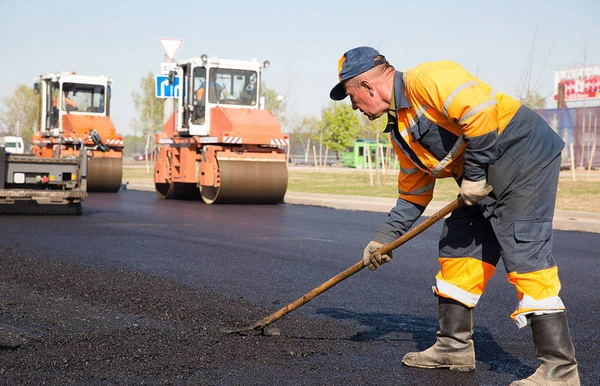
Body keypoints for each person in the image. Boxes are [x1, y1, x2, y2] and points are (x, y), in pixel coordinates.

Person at [330, 46, 579, 385]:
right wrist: (384, 238)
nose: (355, 107)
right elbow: (413, 195)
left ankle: (560, 371)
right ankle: (453, 347)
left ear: (367, 86)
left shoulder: (427, 78)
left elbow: (479, 112)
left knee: (525, 252)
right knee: (460, 242)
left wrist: (474, 176)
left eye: (351, 97)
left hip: (523, 158)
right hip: (482, 178)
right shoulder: (401, 132)